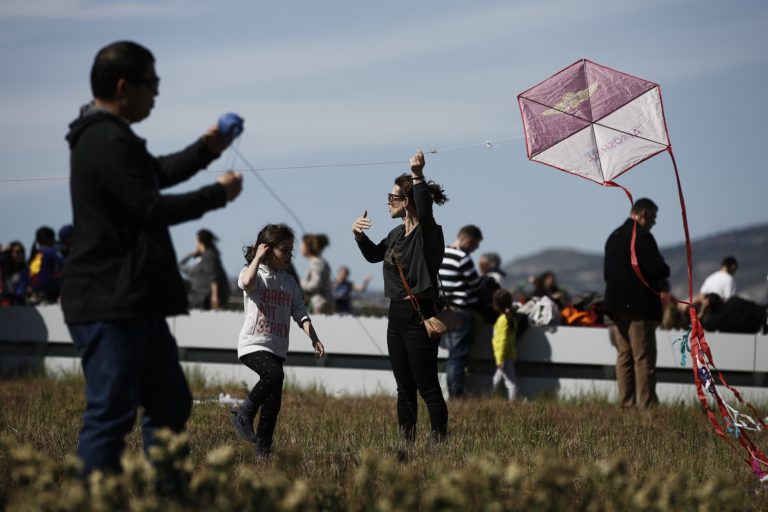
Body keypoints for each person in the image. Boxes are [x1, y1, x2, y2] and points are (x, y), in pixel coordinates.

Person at [62, 41, 243, 476]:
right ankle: (92, 501)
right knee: (111, 413)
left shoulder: (112, 136)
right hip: (109, 300)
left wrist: (208, 147)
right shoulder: (104, 139)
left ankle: (168, 495)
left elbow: (157, 172)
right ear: (124, 86)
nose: (157, 93)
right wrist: (217, 194)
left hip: (133, 301)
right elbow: (150, 207)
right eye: (152, 83)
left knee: (170, 402)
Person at [352, 150, 449, 442]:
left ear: (406, 202)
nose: (387, 202)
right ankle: (406, 443)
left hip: (420, 314)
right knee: (403, 387)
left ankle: (439, 443)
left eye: (392, 197)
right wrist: (359, 236)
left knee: (427, 385)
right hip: (396, 315)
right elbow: (373, 255)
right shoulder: (395, 235)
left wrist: (417, 175)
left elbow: (425, 209)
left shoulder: (427, 233)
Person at [231, 224, 326, 455]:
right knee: (273, 375)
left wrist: (314, 337)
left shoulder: (289, 282)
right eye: (284, 249)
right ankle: (244, 414)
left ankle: (263, 451)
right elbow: (246, 283)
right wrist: (257, 259)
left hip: (277, 348)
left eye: (292, 250)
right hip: (252, 345)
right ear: (267, 250)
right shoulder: (254, 274)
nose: (290, 255)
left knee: (273, 400)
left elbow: (300, 312)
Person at [603, 198, 670, 408]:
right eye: (654, 217)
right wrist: (665, 272)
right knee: (643, 358)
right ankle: (647, 404)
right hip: (639, 308)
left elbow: (607, 273)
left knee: (624, 356)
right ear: (644, 214)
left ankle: (626, 402)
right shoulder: (642, 236)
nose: (654, 222)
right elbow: (657, 269)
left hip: (615, 307)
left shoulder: (613, 237)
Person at [438, 224, 483, 398]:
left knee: (451, 355)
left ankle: (453, 393)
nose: (475, 249)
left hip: (444, 311)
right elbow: (476, 285)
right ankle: (456, 394)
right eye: (476, 244)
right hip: (461, 313)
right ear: (469, 240)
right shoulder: (462, 258)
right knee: (457, 356)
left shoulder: (441, 254)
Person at [179, 228, 230, 310]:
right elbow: (180, 266)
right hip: (199, 296)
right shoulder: (204, 259)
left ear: (200, 242)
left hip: (204, 298)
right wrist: (192, 254)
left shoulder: (209, 256)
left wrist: (214, 296)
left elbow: (213, 277)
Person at [491, 289, 519, 400]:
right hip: (507, 355)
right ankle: (493, 399)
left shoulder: (503, 320)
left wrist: (499, 359)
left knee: (510, 382)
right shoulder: (510, 318)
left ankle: (513, 403)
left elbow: (502, 341)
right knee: (496, 380)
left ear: (497, 305)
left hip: (504, 357)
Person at [27, 226, 64, 304]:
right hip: (50, 291)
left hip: (35, 290)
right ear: (50, 239)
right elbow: (64, 264)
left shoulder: (35, 253)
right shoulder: (51, 252)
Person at [300, 234, 335, 314]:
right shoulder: (320, 261)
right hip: (325, 302)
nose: (300, 248)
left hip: (320, 303)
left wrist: (301, 283)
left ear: (308, 248)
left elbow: (316, 285)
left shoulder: (316, 263)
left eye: (302, 245)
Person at [0, 241, 30, 306]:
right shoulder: (4, 267)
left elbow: (23, 286)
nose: (20, 254)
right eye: (17, 252)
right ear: (10, 253)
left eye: (22, 252)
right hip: (4, 301)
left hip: (18, 302)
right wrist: (3, 252)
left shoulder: (24, 269)